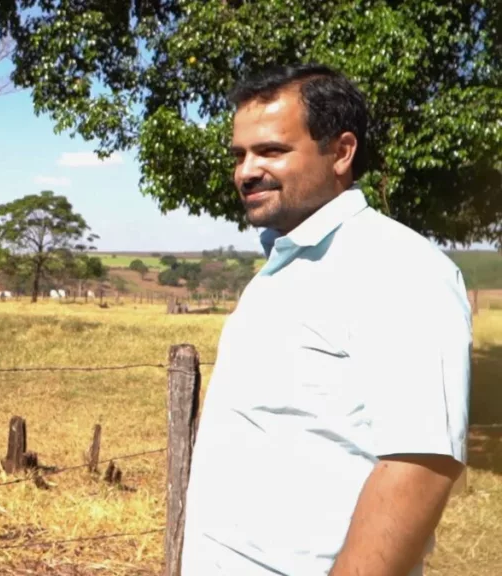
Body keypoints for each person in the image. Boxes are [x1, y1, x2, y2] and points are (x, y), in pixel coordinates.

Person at [180, 64, 471, 576]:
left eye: (271, 151)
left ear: (341, 152)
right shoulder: (280, 267)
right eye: (240, 154)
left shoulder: (397, 268)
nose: (246, 171)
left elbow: (421, 465)